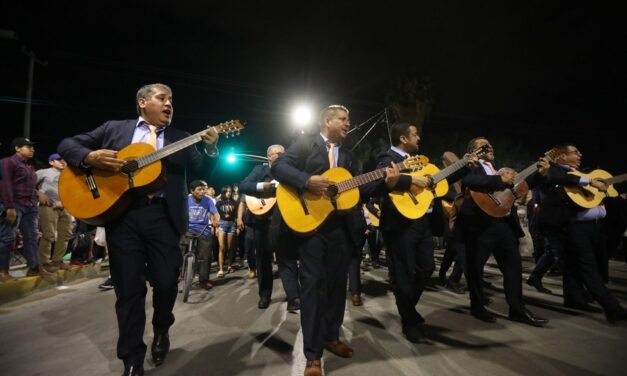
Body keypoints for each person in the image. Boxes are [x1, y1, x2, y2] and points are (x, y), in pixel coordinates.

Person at [57, 83, 219, 376]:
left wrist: (210, 147)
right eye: (162, 98)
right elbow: (67, 144)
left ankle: (161, 329)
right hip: (123, 218)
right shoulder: (115, 129)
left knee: (167, 283)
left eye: (171, 100)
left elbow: (202, 173)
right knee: (129, 291)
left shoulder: (181, 138)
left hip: (164, 218)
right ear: (143, 102)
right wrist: (89, 158)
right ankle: (132, 358)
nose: (169, 103)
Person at [272, 105, 387, 376]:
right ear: (327, 120)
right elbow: (279, 167)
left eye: (349, 119)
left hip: (341, 229)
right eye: (343, 119)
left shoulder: (350, 157)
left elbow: (361, 190)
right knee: (313, 287)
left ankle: (331, 337)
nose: (349, 124)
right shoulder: (306, 144)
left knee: (337, 287)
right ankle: (313, 355)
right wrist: (306, 181)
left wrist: (387, 181)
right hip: (310, 227)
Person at [457, 137, 548, 326]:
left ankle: (517, 308)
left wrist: (540, 173)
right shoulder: (472, 165)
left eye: (489, 144)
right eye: (482, 145)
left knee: (513, 267)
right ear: (473, 151)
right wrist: (499, 180)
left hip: (505, 224)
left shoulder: (501, 169)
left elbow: (524, 185)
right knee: (475, 267)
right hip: (480, 224)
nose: (488, 147)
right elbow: (468, 180)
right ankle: (477, 306)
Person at [534, 143, 627, 323]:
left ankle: (574, 299)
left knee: (574, 264)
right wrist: (591, 182)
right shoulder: (552, 169)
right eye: (575, 152)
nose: (580, 154)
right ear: (561, 156)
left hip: (592, 227)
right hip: (571, 226)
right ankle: (612, 308)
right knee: (588, 266)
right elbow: (557, 177)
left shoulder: (582, 174)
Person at [1, 137, 55, 282]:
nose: (32, 149)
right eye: (27, 146)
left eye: (32, 147)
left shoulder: (29, 167)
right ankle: (3, 271)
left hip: (30, 206)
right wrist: (9, 207)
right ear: (17, 148)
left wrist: (38, 193)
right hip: (15, 205)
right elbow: (5, 185)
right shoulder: (8, 162)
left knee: (31, 238)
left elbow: (29, 186)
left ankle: (34, 268)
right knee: (8, 238)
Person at [239, 144, 287, 309]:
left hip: (284, 219)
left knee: (286, 258)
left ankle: (293, 295)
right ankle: (265, 295)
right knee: (263, 260)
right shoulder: (260, 170)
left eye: (284, 153)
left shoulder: (290, 171)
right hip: (262, 220)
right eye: (278, 154)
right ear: (269, 157)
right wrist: (262, 187)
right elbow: (244, 186)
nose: (282, 156)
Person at [36, 152, 73, 272]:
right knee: (48, 235)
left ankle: (58, 260)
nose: (62, 161)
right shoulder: (44, 172)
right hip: (49, 206)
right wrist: (39, 193)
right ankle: (44, 262)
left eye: (63, 159)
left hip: (65, 207)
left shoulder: (69, 174)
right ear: (51, 162)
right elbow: (27, 183)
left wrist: (65, 202)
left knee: (65, 235)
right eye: (58, 159)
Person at [180, 180, 219, 290]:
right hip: (188, 229)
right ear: (192, 191)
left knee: (205, 256)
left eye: (203, 189)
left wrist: (216, 221)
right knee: (180, 248)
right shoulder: (186, 199)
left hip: (203, 230)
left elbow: (215, 213)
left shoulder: (208, 200)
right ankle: (179, 273)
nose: (202, 192)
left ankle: (203, 280)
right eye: (199, 190)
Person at [215, 185, 237, 277]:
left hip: (231, 224)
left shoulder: (234, 202)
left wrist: (237, 227)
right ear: (223, 192)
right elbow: (216, 214)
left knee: (230, 248)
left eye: (230, 191)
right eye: (227, 191)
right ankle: (220, 269)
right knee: (221, 247)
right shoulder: (219, 202)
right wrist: (216, 227)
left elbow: (235, 215)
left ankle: (229, 265)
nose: (229, 193)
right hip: (222, 224)